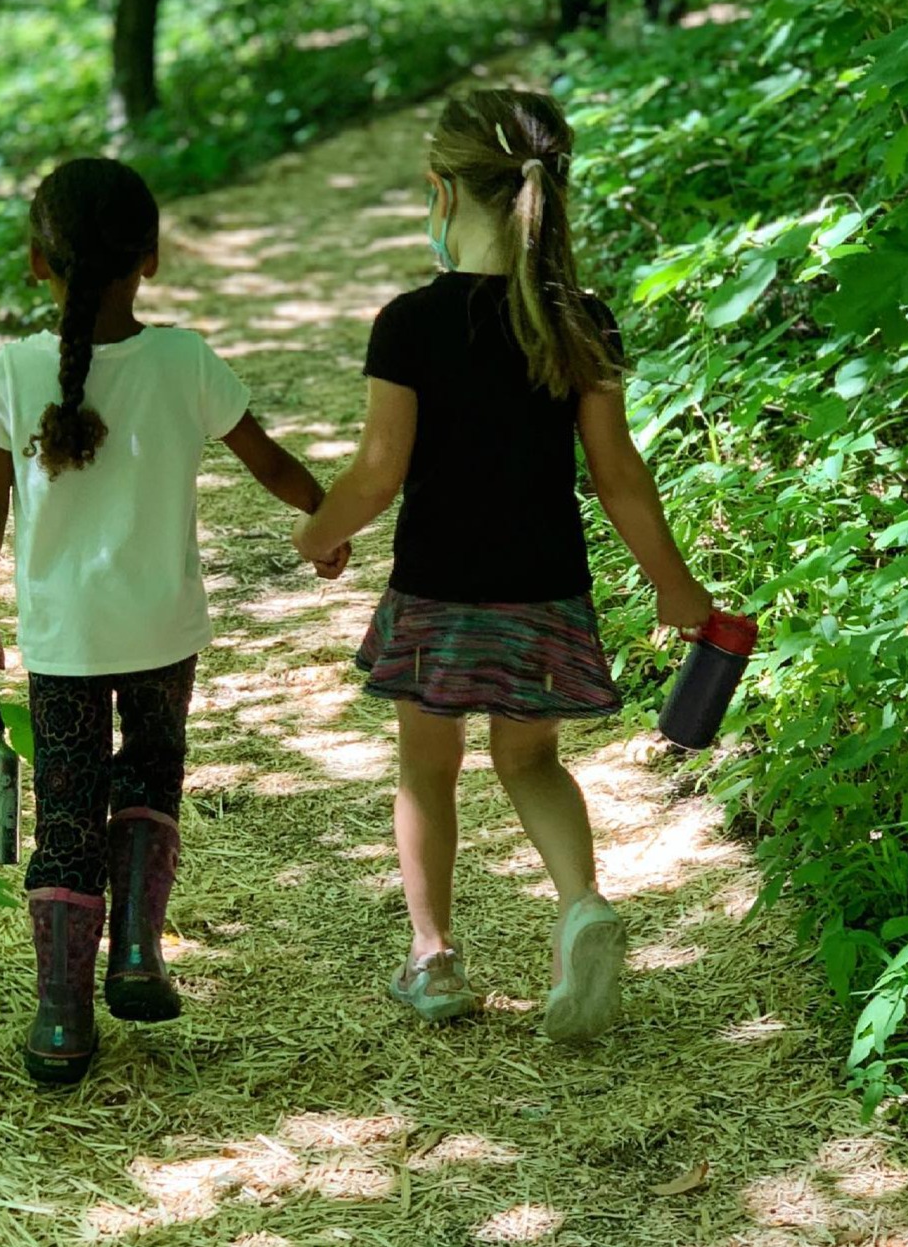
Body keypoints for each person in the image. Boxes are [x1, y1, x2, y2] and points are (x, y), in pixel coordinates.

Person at [293, 90, 713, 1041]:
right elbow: (619, 477)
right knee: (530, 761)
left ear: (441, 193)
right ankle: (579, 904)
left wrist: (318, 532)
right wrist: (674, 583)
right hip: (544, 590)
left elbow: (377, 471)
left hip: (438, 591)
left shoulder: (409, 322)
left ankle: (434, 958)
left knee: (425, 768)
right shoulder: (581, 319)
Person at [0, 158, 348, 1085]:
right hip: (164, 632)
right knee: (150, 774)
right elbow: (270, 461)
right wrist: (324, 522)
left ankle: (61, 1018)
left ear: (36, 264)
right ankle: (134, 950)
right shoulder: (184, 359)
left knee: (67, 806)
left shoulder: (10, 374)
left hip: (63, 642)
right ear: (152, 260)